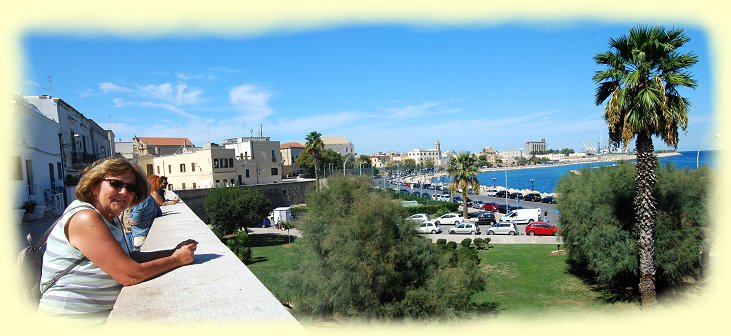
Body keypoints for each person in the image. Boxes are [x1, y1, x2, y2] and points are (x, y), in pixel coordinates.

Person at [38, 158, 197, 324]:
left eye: (131, 187)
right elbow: (130, 274)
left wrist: (173, 251)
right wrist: (177, 259)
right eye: (116, 184)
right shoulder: (85, 217)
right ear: (94, 186)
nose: (124, 192)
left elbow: (129, 258)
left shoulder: (110, 218)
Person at [122, 174, 164, 252]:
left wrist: (128, 221)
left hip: (139, 234)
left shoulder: (140, 201)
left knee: (135, 256)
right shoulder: (150, 198)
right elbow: (159, 213)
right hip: (146, 231)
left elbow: (135, 221)